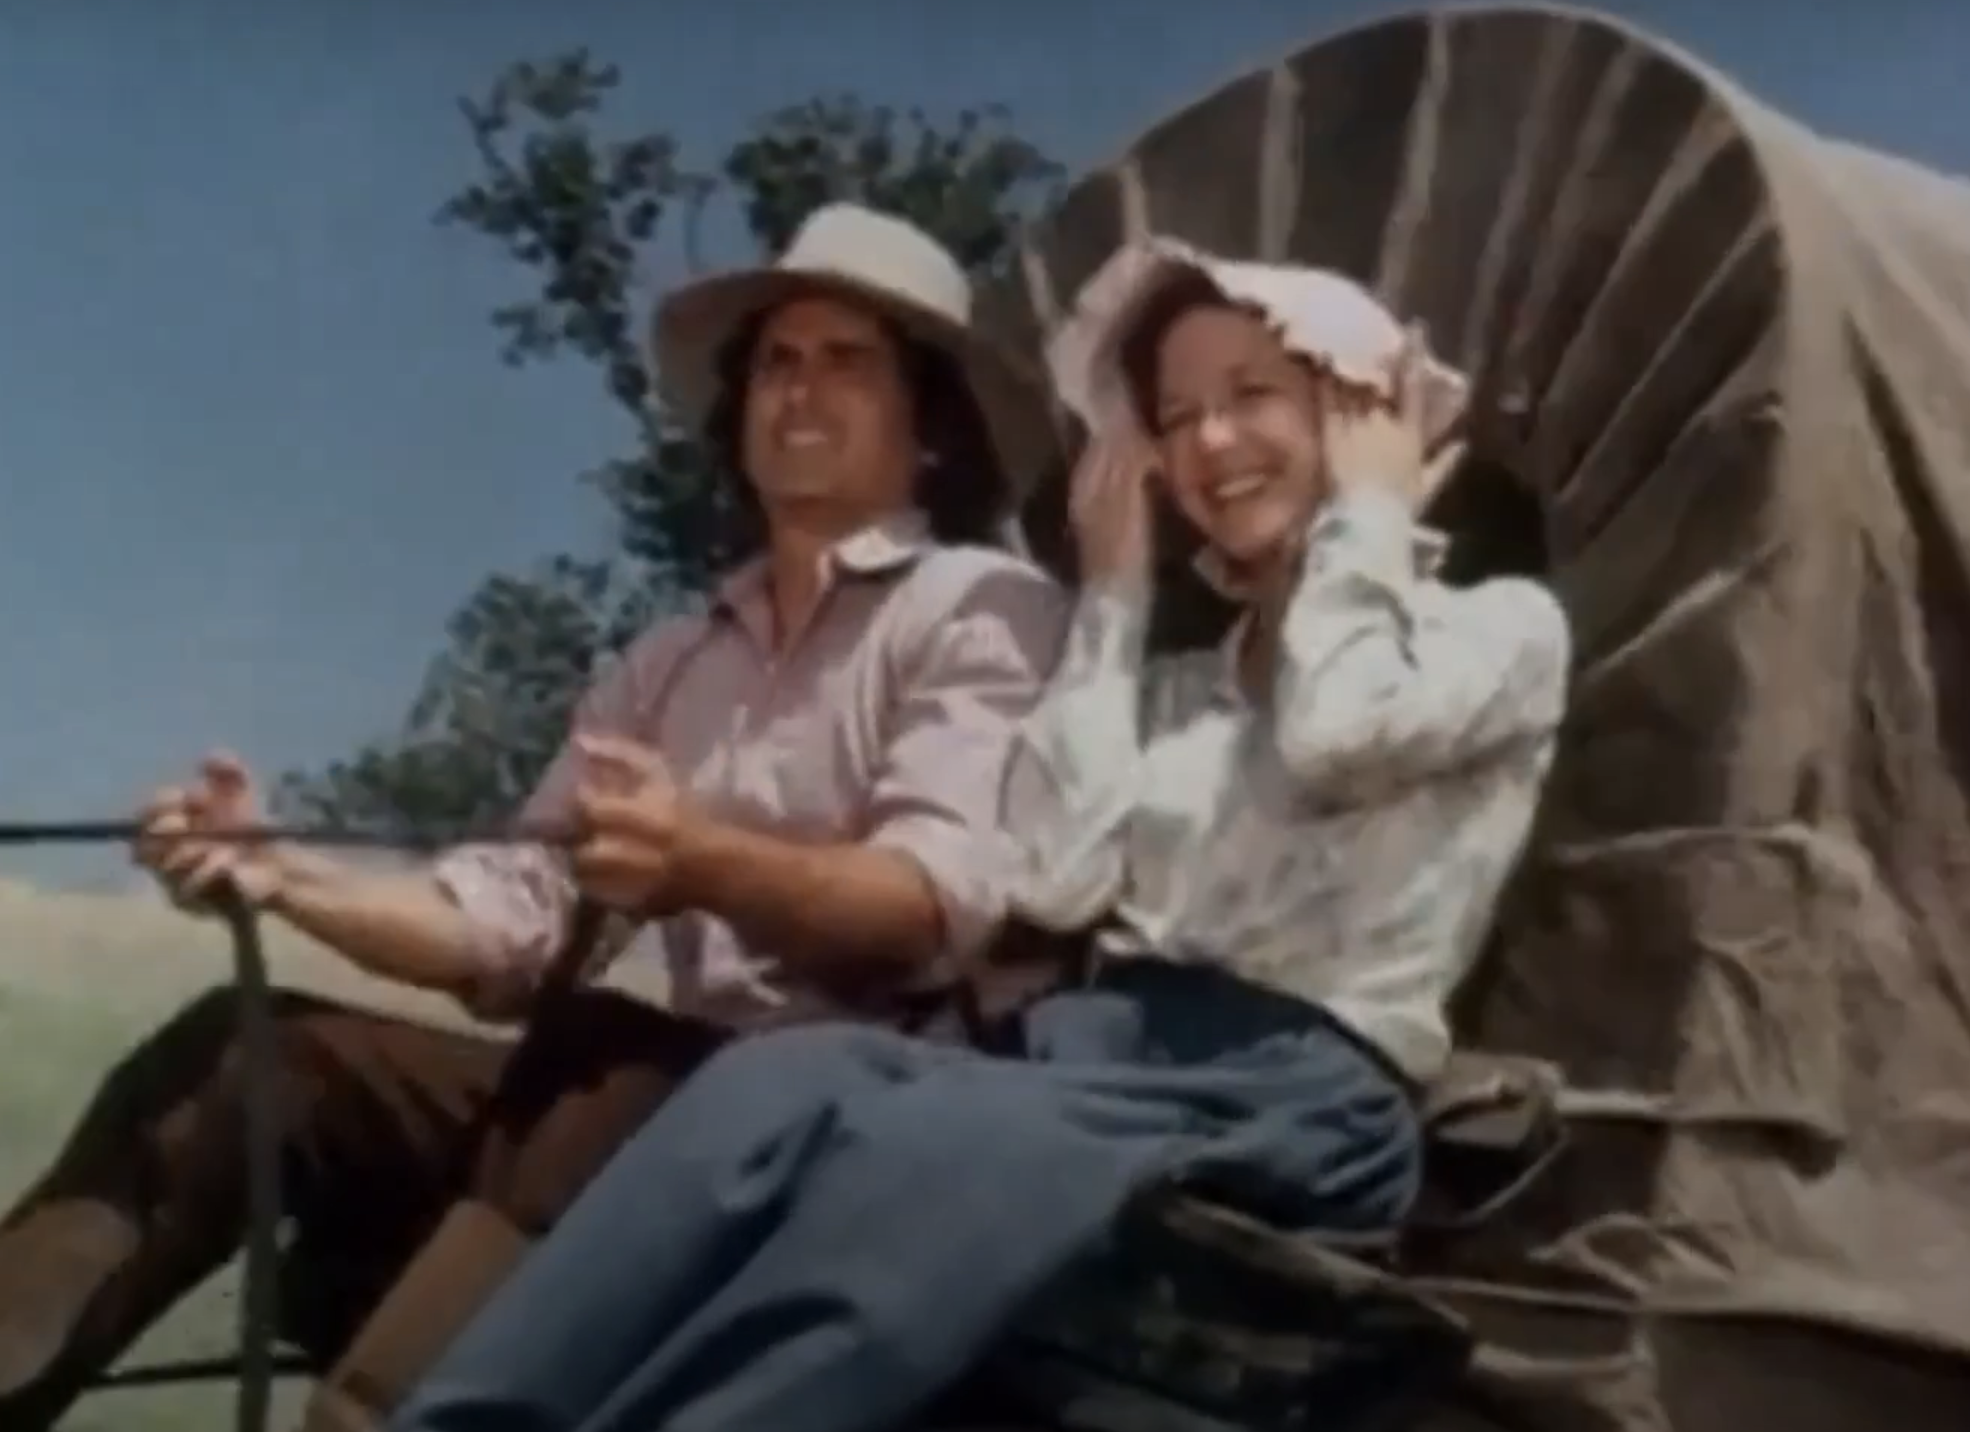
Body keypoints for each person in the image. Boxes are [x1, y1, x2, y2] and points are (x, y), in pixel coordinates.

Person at [379, 236, 1574, 1432]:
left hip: (1294, 1086)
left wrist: (1367, 513)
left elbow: (1333, 735)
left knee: (943, 1149)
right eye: (1176, 414)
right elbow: (1055, 874)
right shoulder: (1182, 691)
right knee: (777, 1078)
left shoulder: (1496, 633)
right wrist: (1111, 601)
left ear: (1365, 409)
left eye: (1253, 396)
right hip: (1097, 1051)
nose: (1208, 442)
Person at [0, 201, 1068, 1432]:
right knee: (250, 1053)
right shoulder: (671, 658)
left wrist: (704, 862)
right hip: (626, 1106)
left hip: (847, 1131)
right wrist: (281, 872)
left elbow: (931, 903)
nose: (800, 391)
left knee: (607, 1082)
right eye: (777, 360)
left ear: (926, 422)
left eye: (847, 362)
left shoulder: (978, 608)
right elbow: (505, 922)